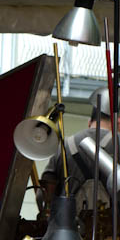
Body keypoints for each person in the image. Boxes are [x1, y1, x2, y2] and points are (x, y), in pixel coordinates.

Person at [41, 85, 113, 214]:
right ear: (117, 122)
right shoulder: (117, 142)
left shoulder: (64, 146)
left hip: (70, 223)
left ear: (89, 122)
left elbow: (43, 194)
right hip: (112, 224)